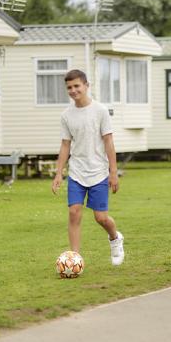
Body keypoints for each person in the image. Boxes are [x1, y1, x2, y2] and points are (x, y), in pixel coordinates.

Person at [51, 69, 124, 266]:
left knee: (100, 218)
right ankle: (75, 259)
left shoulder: (100, 111)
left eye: (77, 86)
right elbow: (65, 145)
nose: (73, 90)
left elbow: (109, 142)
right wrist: (59, 173)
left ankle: (115, 238)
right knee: (74, 211)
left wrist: (113, 172)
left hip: (99, 172)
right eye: (69, 87)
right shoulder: (66, 115)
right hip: (76, 171)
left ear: (86, 86)